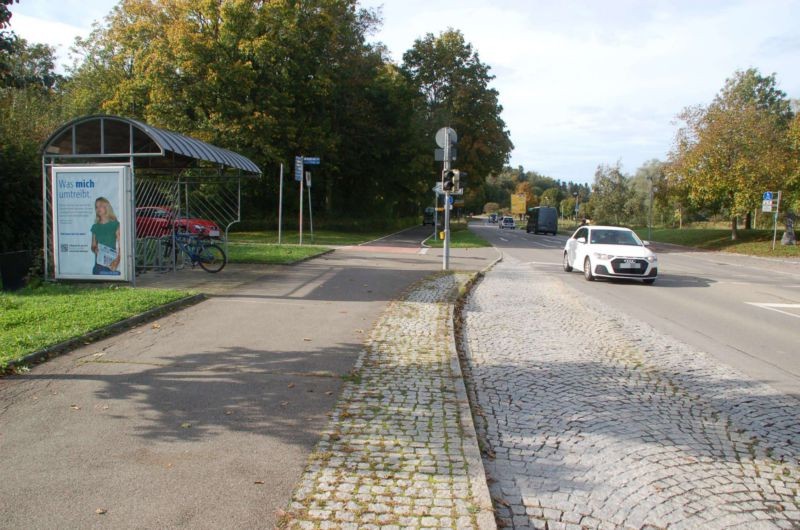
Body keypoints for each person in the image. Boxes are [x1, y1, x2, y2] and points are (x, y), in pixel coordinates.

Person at [91, 197, 121, 275]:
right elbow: (93, 245)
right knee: (98, 274)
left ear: (106, 207)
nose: (98, 209)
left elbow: (121, 245)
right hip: (99, 262)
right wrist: (95, 249)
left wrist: (117, 260)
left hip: (113, 261)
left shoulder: (115, 224)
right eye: (96, 207)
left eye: (100, 205)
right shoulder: (95, 226)